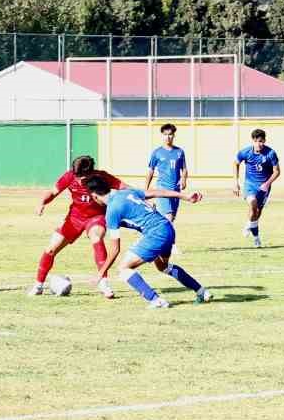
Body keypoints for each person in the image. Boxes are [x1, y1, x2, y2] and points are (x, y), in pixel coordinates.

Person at [84, 172, 212, 309]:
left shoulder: (112, 210)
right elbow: (159, 192)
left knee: (123, 268)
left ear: (94, 195)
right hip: (167, 228)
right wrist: (185, 196)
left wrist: (100, 273)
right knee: (163, 266)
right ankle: (202, 292)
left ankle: (156, 300)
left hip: (155, 234)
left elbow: (115, 250)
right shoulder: (127, 192)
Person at [31, 154, 123, 297]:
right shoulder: (70, 176)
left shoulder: (102, 177)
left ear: (91, 173)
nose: (79, 180)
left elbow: (124, 187)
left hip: (96, 217)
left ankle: (103, 283)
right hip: (74, 218)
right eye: (77, 176)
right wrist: (42, 203)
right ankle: (38, 286)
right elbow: (53, 192)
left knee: (96, 237)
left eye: (82, 177)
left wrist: (142, 199)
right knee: (50, 249)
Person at [232, 128, 281, 248]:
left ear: (264, 141)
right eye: (256, 141)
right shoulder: (245, 152)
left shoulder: (271, 153)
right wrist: (236, 182)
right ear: (252, 141)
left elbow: (277, 171)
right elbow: (235, 163)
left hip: (264, 187)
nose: (259, 144)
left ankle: (255, 236)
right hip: (250, 185)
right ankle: (250, 226)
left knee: (257, 213)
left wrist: (267, 183)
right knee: (252, 202)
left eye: (261, 141)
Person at [145, 123, 188, 224]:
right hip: (162, 188)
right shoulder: (157, 152)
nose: (168, 137)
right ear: (162, 135)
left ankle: (155, 221)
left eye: (170, 134)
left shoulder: (179, 152)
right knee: (168, 217)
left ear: (174, 135)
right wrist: (145, 190)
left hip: (176, 190)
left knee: (171, 218)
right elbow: (150, 171)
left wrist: (184, 179)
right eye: (165, 134)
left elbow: (184, 169)